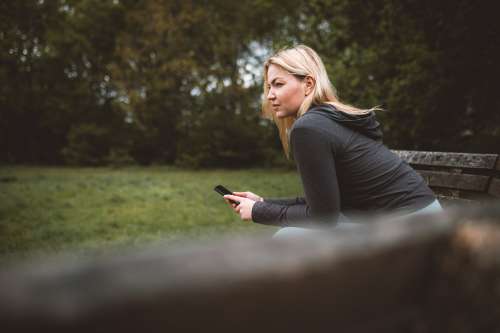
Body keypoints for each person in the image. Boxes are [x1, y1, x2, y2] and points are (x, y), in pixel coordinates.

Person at [223, 45, 442, 238]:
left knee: (288, 238)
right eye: (269, 87)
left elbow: (322, 218)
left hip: (414, 229)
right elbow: (322, 204)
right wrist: (263, 203)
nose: (270, 95)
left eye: (278, 84)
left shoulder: (309, 128)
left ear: (308, 84)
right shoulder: (327, 119)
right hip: (422, 220)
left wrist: (258, 212)